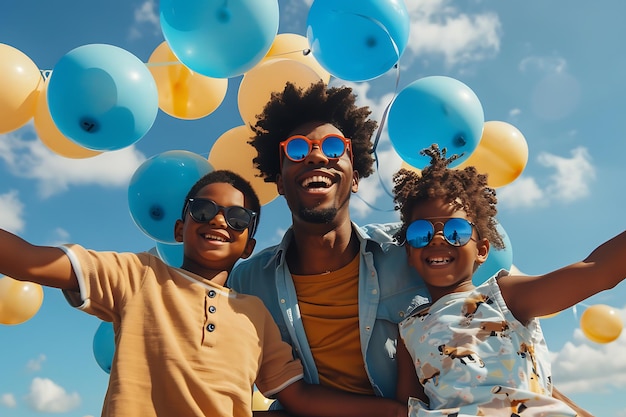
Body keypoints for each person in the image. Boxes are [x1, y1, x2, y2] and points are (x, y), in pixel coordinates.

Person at [228, 81, 595, 417]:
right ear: (278, 182)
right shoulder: (247, 282)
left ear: (355, 178)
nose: (315, 157)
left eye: (335, 147)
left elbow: (494, 342)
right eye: (295, 149)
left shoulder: (415, 245)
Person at [0, 169, 406, 417]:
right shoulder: (138, 275)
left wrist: (393, 411)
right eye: (202, 210)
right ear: (180, 229)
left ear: (249, 245)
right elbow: (28, 261)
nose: (219, 220)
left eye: (237, 217)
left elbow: (296, 396)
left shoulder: (255, 313)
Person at [392, 144, 625, 416]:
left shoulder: (503, 297)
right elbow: (407, 406)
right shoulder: (408, 329)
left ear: (481, 250)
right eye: (422, 232)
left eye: (457, 231)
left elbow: (598, 271)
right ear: (409, 251)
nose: (439, 238)